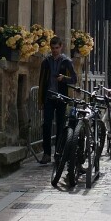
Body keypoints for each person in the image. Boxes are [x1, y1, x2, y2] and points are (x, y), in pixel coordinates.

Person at [37, 36, 75, 165]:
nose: (54, 51)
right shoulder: (46, 62)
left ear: (61, 47)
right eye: (52, 48)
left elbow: (74, 79)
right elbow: (41, 82)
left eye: (57, 48)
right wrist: (40, 100)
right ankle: (46, 153)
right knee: (47, 125)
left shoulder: (66, 62)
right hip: (49, 97)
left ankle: (58, 154)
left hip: (62, 98)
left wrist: (64, 78)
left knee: (60, 125)